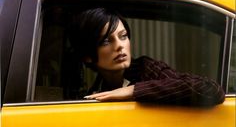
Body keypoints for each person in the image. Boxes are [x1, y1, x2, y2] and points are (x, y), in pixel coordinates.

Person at [70, 7, 225, 106]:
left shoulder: (147, 69)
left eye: (123, 36)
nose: (119, 45)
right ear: (87, 56)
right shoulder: (97, 89)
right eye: (105, 41)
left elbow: (211, 90)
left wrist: (134, 90)